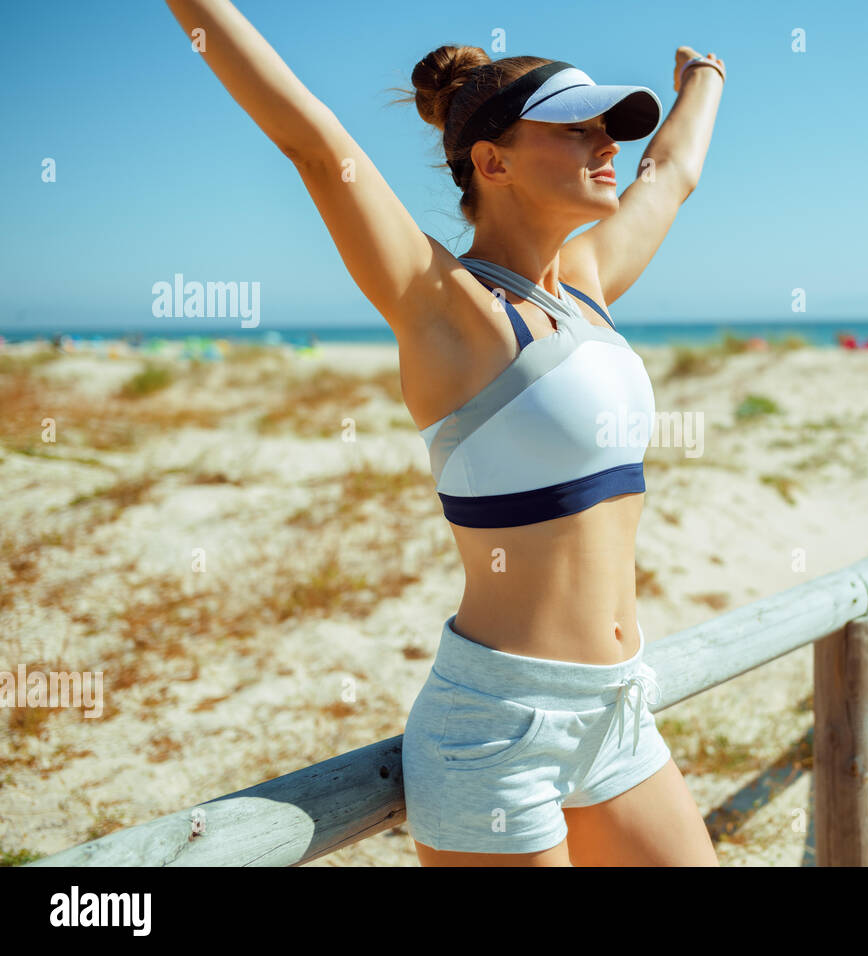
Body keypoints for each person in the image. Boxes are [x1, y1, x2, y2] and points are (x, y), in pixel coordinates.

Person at [164, 0, 724, 867]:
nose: (606, 142)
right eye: (576, 128)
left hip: (620, 713)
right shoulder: (452, 314)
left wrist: (705, 78)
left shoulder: (584, 288)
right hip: (497, 737)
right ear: (492, 160)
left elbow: (673, 175)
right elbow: (315, 143)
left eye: (611, 126)